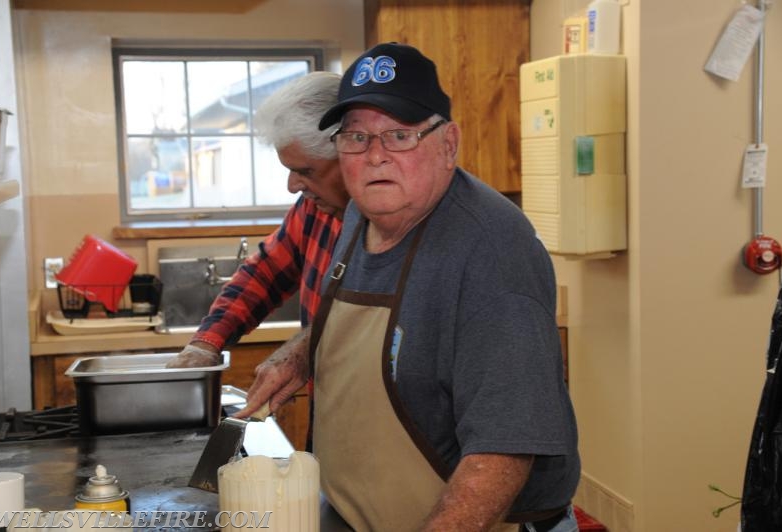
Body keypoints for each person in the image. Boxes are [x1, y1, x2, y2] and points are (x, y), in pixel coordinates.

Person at [240, 43, 581, 532]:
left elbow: (502, 451)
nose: (375, 156)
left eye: (400, 136)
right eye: (356, 137)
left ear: (448, 144)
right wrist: (301, 351)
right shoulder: (363, 209)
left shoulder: (492, 253)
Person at [166, 71, 349, 369]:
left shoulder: (390, 224)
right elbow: (265, 273)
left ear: (348, 153)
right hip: (329, 403)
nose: (293, 186)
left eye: (306, 171)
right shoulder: (313, 209)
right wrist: (206, 343)